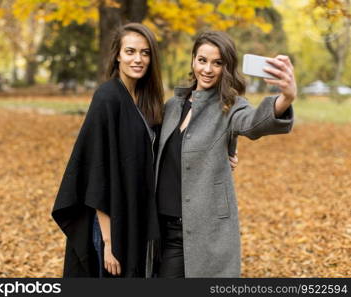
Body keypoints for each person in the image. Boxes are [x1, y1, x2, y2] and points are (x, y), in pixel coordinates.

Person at [52, 23, 239, 278]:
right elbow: (96, 172)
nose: (138, 59)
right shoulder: (107, 98)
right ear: (117, 55)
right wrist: (108, 242)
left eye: (145, 52)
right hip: (110, 224)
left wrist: (217, 156)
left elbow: (165, 151)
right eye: (130, 51)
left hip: (133, 218)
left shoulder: (144, 100)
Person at [155, 31, 296, 278]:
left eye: (217, 63)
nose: (207, 69)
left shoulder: (230, 107)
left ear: (227, 67)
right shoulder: (172, 106)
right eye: (202, 60)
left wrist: (286, 98)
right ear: (192, 61)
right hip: (163, 230)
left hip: (207, 232)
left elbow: (253, 123)